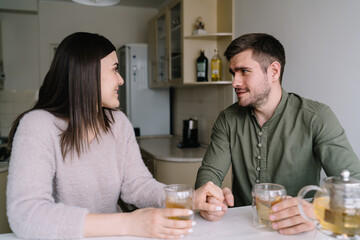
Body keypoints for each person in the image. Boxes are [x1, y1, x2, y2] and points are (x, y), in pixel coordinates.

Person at [6, 32, 225, 239]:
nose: (121, 80)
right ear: (87, 74)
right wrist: (128, 223)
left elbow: (137, 186)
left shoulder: (117, 123)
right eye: (114, 70)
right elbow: (26, 214)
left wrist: (187, 199)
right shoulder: (38, 125)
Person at [195, 33, 360, 234]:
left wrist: (319, 213)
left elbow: (355, 182)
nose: (235, 82)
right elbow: (210, 171)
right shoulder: (227, 118)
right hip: (244, 229)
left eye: (244, 71)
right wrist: (209, 199)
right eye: (233, 73)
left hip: (301, 232)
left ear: (273, 71)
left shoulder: (317, 117)